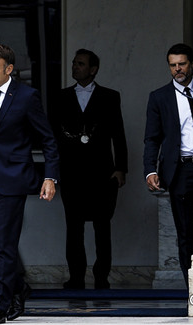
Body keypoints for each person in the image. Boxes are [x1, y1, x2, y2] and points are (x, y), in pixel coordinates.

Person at [0, 44, 59, 325]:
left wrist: (50, 177)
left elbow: (48, 140)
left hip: (13, 180)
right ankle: (17, 286)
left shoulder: (27, 96)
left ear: (9, 69)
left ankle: (0, 304)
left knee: (6, 242)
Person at [142, 43, 193, 287]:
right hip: (180, 171)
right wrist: (150, 170)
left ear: (192, 64)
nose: (177, 69)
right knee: (185, 232)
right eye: (173, 65)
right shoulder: (159, 97)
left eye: (182, 64)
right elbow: (152, 138)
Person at [56, 49, 128, 290]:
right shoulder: (62, 97)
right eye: (74, 63)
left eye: (81, 64)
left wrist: (121, 168)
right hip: (71, 173)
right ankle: (76, 277)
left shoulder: (109, 96)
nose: (75, 67)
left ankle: (101, 276)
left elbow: (119, 134)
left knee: (102, 227)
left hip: (102, 173)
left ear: (93, 69)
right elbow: (53, 137)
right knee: (73, 228)